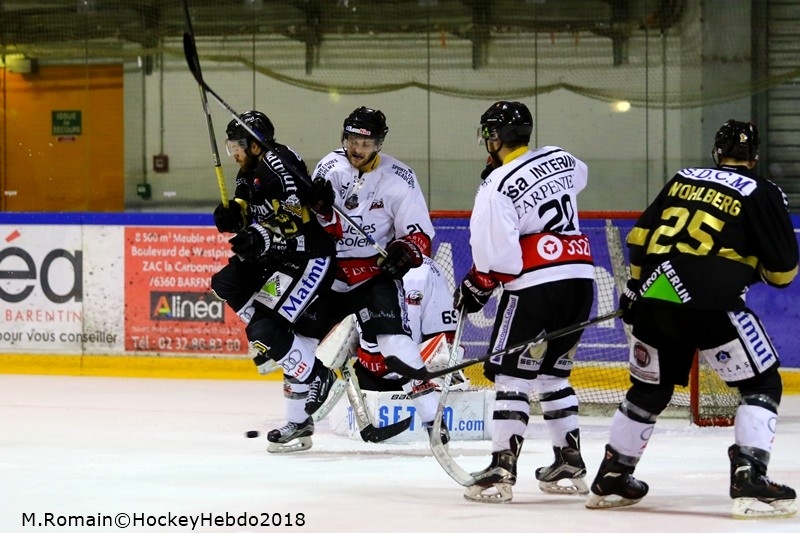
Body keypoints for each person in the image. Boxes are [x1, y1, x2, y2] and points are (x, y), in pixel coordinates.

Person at [585, 119, 798, 518]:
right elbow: (784, 274)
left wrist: (634, 289)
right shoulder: (762, 190)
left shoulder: (683, 177)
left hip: (655, 296)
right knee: (762, 381)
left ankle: (612, 477)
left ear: (716, 154)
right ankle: (749, 477)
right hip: (712, 302)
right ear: (754, 158)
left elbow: (638, 238)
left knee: (649, 390)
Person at [456, 101, 596, 503]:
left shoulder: (494, 187)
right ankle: (569, 461)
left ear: (494, 138)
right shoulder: (562, 157)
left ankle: (501, 469)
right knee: (554, 375)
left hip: (536, 286)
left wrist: (479, 283)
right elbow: (578, 177)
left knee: (511, 377)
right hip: (580, 281)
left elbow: (500, 260)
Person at [291, 106, 447, 442]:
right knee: (300, 339)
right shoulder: (329, 167)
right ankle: (297, 423)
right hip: (329, 272)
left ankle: (434, 419)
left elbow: (419, 236)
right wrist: (318, 209)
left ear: (379, 144)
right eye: (352, 140)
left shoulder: (400, 179)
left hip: (372, 273)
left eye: (366, 142)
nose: (357, 149)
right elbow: (318, 224)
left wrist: (404, 252)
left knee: (394, 341)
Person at [209, 110, 339, 453]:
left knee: (268, 333)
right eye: (229, 146)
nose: (233, 152)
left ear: (254, 145)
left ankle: (317, 375)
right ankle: (299, 420)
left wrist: (259, 235)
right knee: (226, 282)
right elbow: (245, 209)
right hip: (279, 258)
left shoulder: (276, 162)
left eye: (237, 145)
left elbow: (296, 218)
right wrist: (231, 216)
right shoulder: (248, 170)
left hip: (308, 257)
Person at [353, 255, 467, 393]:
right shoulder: (351, 261)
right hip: (369, 377)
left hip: (416, 378)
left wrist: (436, 369)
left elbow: (442, 335)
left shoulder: (424, 271)